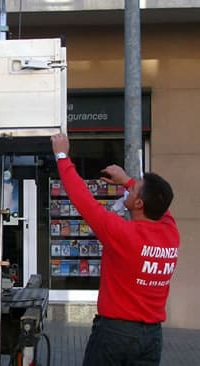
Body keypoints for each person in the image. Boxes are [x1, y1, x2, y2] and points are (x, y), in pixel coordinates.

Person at [51, 133, 180, 366]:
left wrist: (62, 155)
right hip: (151, 337)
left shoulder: (123, 235)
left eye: (133, 190)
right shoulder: (171, 233)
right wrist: (128, 181)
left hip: (114, 334)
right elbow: (161, 205)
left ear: (139, 204)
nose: (129, 189)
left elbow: (83, 199)